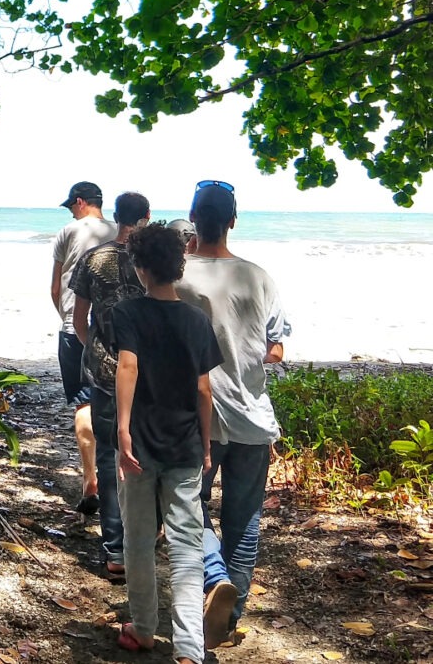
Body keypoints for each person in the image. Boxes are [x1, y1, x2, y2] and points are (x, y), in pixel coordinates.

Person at [175, 180, 291, 650]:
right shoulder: (257, 277)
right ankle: (226, 618)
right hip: (251, 415)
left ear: (192, 218)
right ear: (233, 221)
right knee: (244, 520)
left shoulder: (177, 277)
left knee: (186, 506)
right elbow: (275, 350)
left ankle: (214, 577)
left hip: (193, 416)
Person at [112, 223, 223, 664]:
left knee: (138, 540)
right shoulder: (197, 320)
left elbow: (127, 367)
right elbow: (203, 389)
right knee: (186, 545)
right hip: (184, 446)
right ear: (178, 266)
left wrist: (123, 429)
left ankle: (143, 629)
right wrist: (206, 442)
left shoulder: (127, 313)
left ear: (141, 267)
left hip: (139, 445)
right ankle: (190, 649)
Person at [71, 191, 149, 574]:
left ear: (116, 217)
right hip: (147, 371)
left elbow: (78, 321)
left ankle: (115, 551)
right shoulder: (153, 260)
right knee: (145, 453)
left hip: (104, 372)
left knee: (107, 455)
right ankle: (145, 539)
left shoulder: (93, 258)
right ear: (146, 217)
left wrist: (98, 348)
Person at [51, 182, 118, 515]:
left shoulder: (68, 232)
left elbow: (55, 286)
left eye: (71, 207)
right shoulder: (120, 231)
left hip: (73, 328)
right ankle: (117, 475)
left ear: (80, 202)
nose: (71, 213)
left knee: (84, 402)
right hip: (115, 331)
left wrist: (66, 317)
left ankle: (90, 479)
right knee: (118, 402)